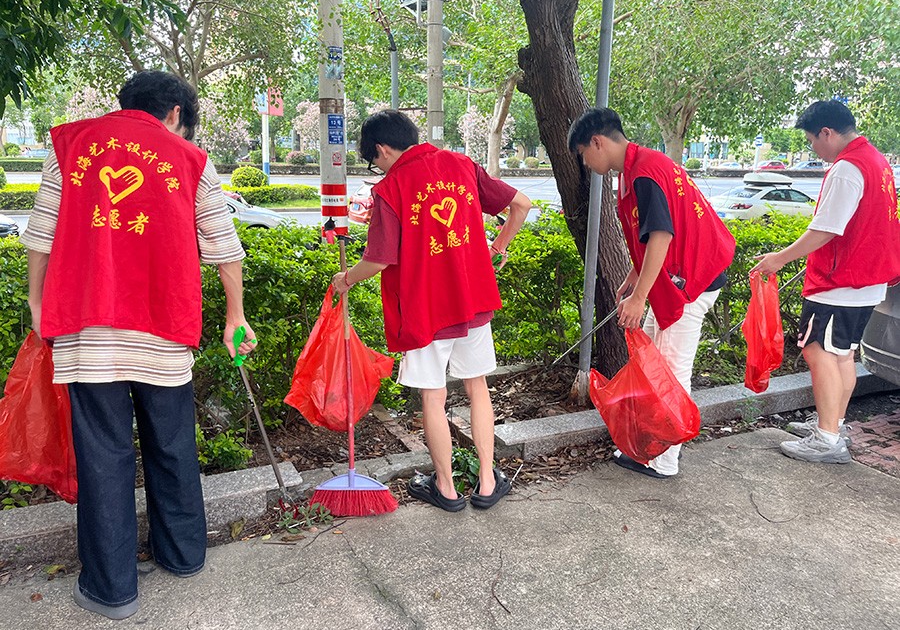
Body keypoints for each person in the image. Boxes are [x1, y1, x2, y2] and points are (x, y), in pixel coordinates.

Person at [21, 70, 257, 619]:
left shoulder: (70, 145)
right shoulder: (191, 160)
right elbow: (224, 246)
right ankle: (183, 556)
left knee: (104, 455)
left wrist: (36, 303)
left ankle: (112, 590)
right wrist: (235, 317)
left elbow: (41, 233)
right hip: (163, 329)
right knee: (172, 444)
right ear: (174, 112)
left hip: (87, 331)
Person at [331, 110, 531, 511]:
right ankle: (487, 482)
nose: (378, 168)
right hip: (472, 299)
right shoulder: (461, 164)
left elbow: (379, 260)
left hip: (425, 307)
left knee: (434, 396)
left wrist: (346, 279)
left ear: (382, 149)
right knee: (477, 387)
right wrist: (498, 247)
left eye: (374, 160)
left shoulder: (391, 188)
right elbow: (521, 205)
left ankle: (447, 488)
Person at [567, 107, 735, 478]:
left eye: (583, 154)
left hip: (689, 283)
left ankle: (665, 460)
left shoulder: (643, 172)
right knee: (654, 364)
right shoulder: (638, 167)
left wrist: (640, 296)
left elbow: (662, 234)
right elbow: (651, 232)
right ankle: (652, 448)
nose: (586, 163)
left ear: (597, 142)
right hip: (680, 277)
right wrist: (635, 275)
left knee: (669, 371)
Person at [752, 100, 900, 463]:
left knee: (818, 352)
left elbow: (826, 229)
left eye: (811, 141)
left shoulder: (847, 168)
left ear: (827, 133)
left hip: (841, 281)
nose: (814, 149)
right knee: (842, 354)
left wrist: (779, 258)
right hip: (867, 280)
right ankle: (832, 424)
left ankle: (828, 439)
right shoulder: (877, 161)